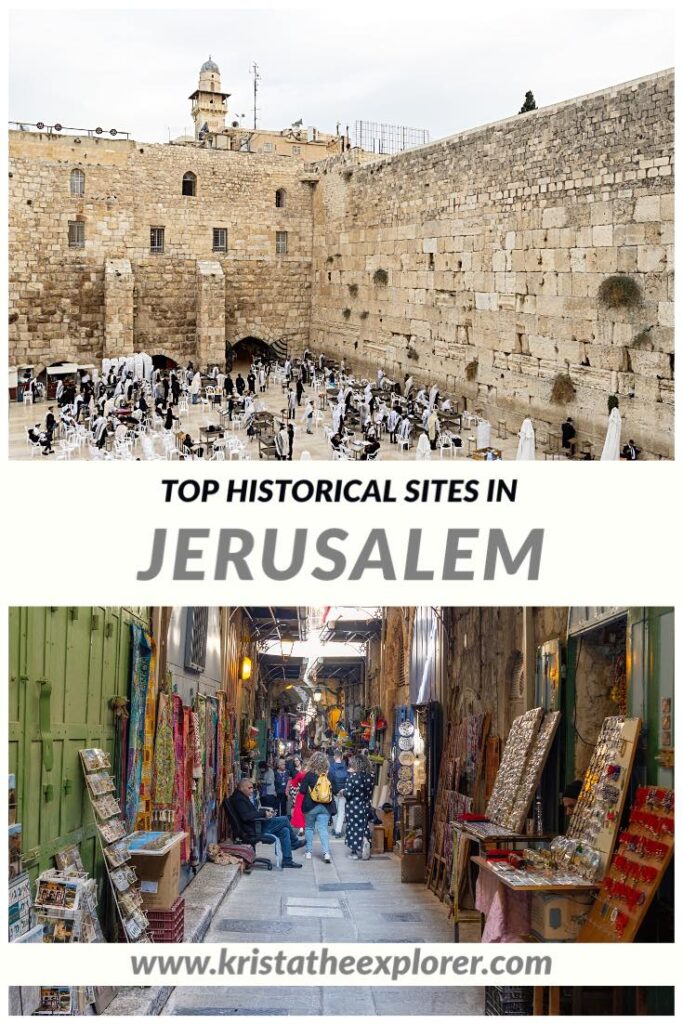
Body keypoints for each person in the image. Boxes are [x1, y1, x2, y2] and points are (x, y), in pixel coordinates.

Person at [227, 779, 304, 868]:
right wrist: (264, 814)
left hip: (257, 825)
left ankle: (287, 860)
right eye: (249, 788)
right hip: (255, 829)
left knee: (285, 830)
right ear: (241, 788)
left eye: (252, 788)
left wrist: (266, 812)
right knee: (285, 819)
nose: (252, 790)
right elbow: (246, 816)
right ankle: (294, 843)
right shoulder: (239, 799)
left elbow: (252, 813)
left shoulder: (242, 797)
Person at [300, 751, 335, 863]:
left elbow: (302, 790)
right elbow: (336, 789)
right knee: (323, 829)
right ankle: (326, 853)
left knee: (309, 828)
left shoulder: (309, 775)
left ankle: (309, 852)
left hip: (311, 806)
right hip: (326, 807)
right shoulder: (329, 775)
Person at [344, 756, 374, 859]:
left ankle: (355, 852)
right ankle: (365, 841)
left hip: (353, 807)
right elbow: (370, 793)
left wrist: (343, 792)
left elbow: (348, 793)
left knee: (353, 828)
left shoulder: (353, 777)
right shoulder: (370, 777)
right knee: (364, 826)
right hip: (365, 805)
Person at [329, 751, 349, 838]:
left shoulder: (331, 768)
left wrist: (334, 791)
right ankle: (338, 830)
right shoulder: (345, 766)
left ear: (334, 757)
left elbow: (329, 781)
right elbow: (348, 780)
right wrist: (343, 790)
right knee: (341, 811)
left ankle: (335, 828)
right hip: (343, 792)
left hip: (334, 792)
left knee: (334, 811)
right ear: (341, 757)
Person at [287, 761, 306, 836]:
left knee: (300, 811)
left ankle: (301, 828)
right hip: (310, 795)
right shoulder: (312, 774)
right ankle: (307, 828)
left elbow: (293, 784)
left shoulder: (300, 774)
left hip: (301, 794)